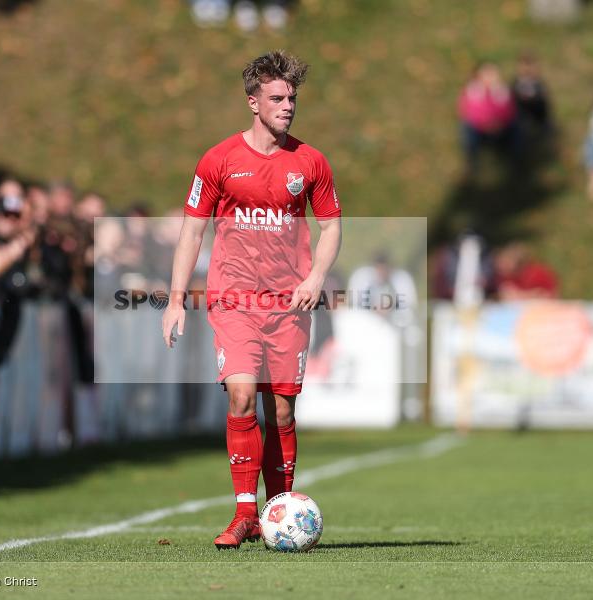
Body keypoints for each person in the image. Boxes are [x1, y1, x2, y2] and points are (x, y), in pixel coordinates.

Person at [161, 50, 341, 549]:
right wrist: (176, 299)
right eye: (277, 98)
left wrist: (315, 278)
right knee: (242, 396)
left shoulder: (310, 162)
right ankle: (244, 514)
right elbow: (191, 232)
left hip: (289, 304)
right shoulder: (218, 160)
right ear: (253, 102)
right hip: (234, 300)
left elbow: (331, 228)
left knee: (281, 412)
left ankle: (277, 511)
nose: (288, 106)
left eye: (292, 98)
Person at [457, 62, 520, 172]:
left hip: (502, 128)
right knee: (466, 127)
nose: (491, 77)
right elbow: (468, 111)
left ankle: (516, 161)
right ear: (478, 76)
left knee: (517, 126)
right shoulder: (472, 91)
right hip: (479, 129)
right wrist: (484, 124)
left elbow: (510, 111)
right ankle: (472, 162)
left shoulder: (503, 91)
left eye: (493, 74)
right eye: (487, 74)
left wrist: (500, 123)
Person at [492, 242, 559, 300]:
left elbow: (550, 295)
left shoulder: (536, 273)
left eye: (506, 263)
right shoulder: (506, 277)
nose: (501, 268)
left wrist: (522, 295)